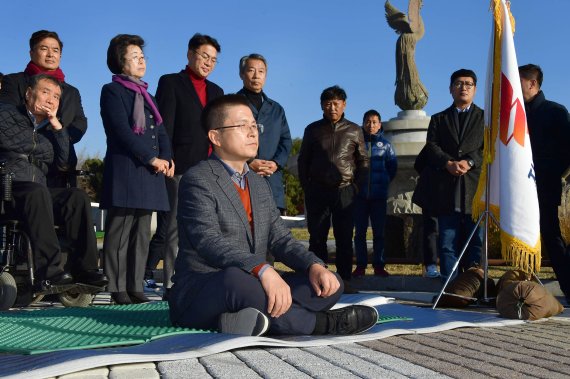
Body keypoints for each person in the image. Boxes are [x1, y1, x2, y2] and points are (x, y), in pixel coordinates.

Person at [169, 94, 378, 336]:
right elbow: (208, 241)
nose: (252, 132)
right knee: (236, 281)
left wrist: (313, 265)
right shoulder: (198, 179)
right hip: (206, 289)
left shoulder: (258, 184)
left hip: (255, 282)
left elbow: (281, 239)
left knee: (331, 283)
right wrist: (262, 269)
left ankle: (237, 320)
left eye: (253, 125)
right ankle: (326, 324)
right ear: (215, 136)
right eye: (242, 126)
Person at [0, 74, 107, 289]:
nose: (51, 100)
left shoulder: (51, 130)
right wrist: (35, 140)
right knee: (36, 192)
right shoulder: (6, 113)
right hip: (9, 187)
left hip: (36, 191)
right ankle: (49, 272)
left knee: (76, 197)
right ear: (29, 94)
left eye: (57, 96)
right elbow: (8, 140)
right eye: (45, 92)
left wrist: (58, 129)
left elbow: (64, 163)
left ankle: (85, 270)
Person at [148, 33, 224, 294]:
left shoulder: (217, 91)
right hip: (179, 167)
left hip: (211, 169)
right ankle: (172, 284)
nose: (208, 63)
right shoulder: (170, 82)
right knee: (174, 228)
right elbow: (163, 125)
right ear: (190, 54)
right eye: (204, 56)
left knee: (208, 228)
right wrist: (166, 157)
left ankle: (203, 282)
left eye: (213, 59)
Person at [100, 34, 172, 305]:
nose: (142, 61)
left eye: (143, 57)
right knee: (120, 230)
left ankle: (135, 285)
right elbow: (120, 131)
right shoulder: (112, 91)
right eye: (135, 57)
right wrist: (149, 158)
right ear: (121, 62)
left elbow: (160, 131)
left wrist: (167, 156)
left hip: (150, 172)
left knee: (143, 232)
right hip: (127, 169)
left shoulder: (147, 94)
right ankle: (117, 286)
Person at [297, 85, 369, 282]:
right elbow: (303, 160)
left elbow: (363, 160)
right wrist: (307, 186)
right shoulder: (312, 130)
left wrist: (356, 187)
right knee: (317, 238)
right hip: (317, 191)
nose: (332, 108)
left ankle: (344, 280)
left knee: (344, 239)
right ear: (322, 105)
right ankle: (317, 280)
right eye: (328, 104)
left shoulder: (354, 130)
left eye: (336, 103)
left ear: (344, 104)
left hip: (345, 190)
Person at [0, 30, 87, 188]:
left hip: (60, 164)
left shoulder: (71, 91)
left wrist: (61, 137)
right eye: (44, 48)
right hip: (23, 165)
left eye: (56, 50)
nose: (50, 54)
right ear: (32, 53)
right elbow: (6, 116)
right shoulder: (14, 81)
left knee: (74, 201)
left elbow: (80, 122)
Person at [423, 69, 484, 283]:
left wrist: (470, 161)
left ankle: (475, 288)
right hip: (447, 190)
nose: (463, 87)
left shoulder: (485, 118)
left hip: (474, 192)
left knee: (475, 243)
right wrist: (447, 163)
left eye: (468, 84)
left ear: (475, 89)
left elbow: (489, 148)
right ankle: (451, 289)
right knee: (447, 244)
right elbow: (431, 146)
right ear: (451, 89)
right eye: (458, 83)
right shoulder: (439, 119)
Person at [519, 64, 570, 301]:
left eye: (518, 81)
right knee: (520, 236)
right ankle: (522, 288)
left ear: (532, 84)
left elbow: (566, 152)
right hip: (518, 187)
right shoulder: (514, 115)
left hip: (544, 184)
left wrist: (547, 173)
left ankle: (568, 286)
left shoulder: (555, 112)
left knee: (550, 235)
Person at [237, 53, 292, 214]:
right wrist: (249, 161)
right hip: (241, 177)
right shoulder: (232, 103)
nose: (256, 76)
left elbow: (286, 141)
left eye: (261, 71)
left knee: (272, 235)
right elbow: (226, 140)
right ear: (241, 74)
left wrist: (275, 163)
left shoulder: (276, 109)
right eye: (251, 70)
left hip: (271, 180)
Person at [352, 110, 397, 278]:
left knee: (379, 233)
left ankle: (379, 265)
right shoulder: (357, 143)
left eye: (374, 122)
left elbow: (392, 168)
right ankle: (361, 266)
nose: (371, 125)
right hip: (360, 196)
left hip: (378, 196)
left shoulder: (386, 145)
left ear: (380, 124)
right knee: (360, 233)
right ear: (363, 123)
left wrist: (382, 183)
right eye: (368, 122)